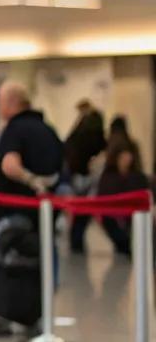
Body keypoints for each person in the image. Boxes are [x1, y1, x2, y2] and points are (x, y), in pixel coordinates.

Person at [0, 81, 64, 228]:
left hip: (15, 210)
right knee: (45, 248)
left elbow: (9, 165)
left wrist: (32, 180)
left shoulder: (13, 129)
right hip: (48, 209)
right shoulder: (49, 129)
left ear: (11, 102)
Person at [65, 99, 106, 255]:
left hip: (82, 171)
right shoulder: (91, 123)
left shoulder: (87, 124)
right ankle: (77, 239)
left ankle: (76, 239)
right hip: (85, 170)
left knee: (81, 206)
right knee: (83, 207)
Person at [97, 144, 150, 257]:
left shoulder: (137, 176)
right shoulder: (109, 176)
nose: (126, 159)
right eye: (123, 156)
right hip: (113, 213)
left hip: (134, 212)